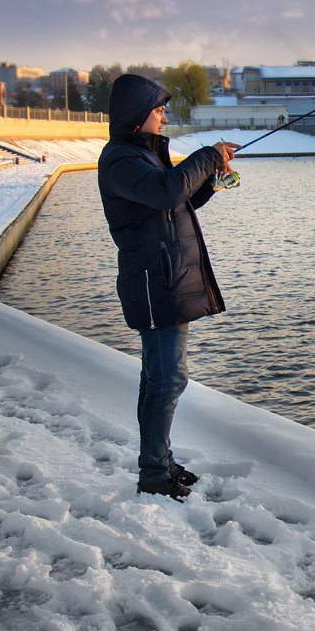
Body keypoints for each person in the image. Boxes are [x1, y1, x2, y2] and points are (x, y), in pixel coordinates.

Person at [97, 73, 240, 501]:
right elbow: (166, 191)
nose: (164, 117)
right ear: (139, 116)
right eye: (158, 110)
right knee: (167, 381)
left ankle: (158, 460)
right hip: (155, 283)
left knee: (158, 379)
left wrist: (211, 178)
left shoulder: (141, 156)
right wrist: (207, 155)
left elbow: (177, 198)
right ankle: (154, 474)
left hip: (163, 281)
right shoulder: (121, 159)